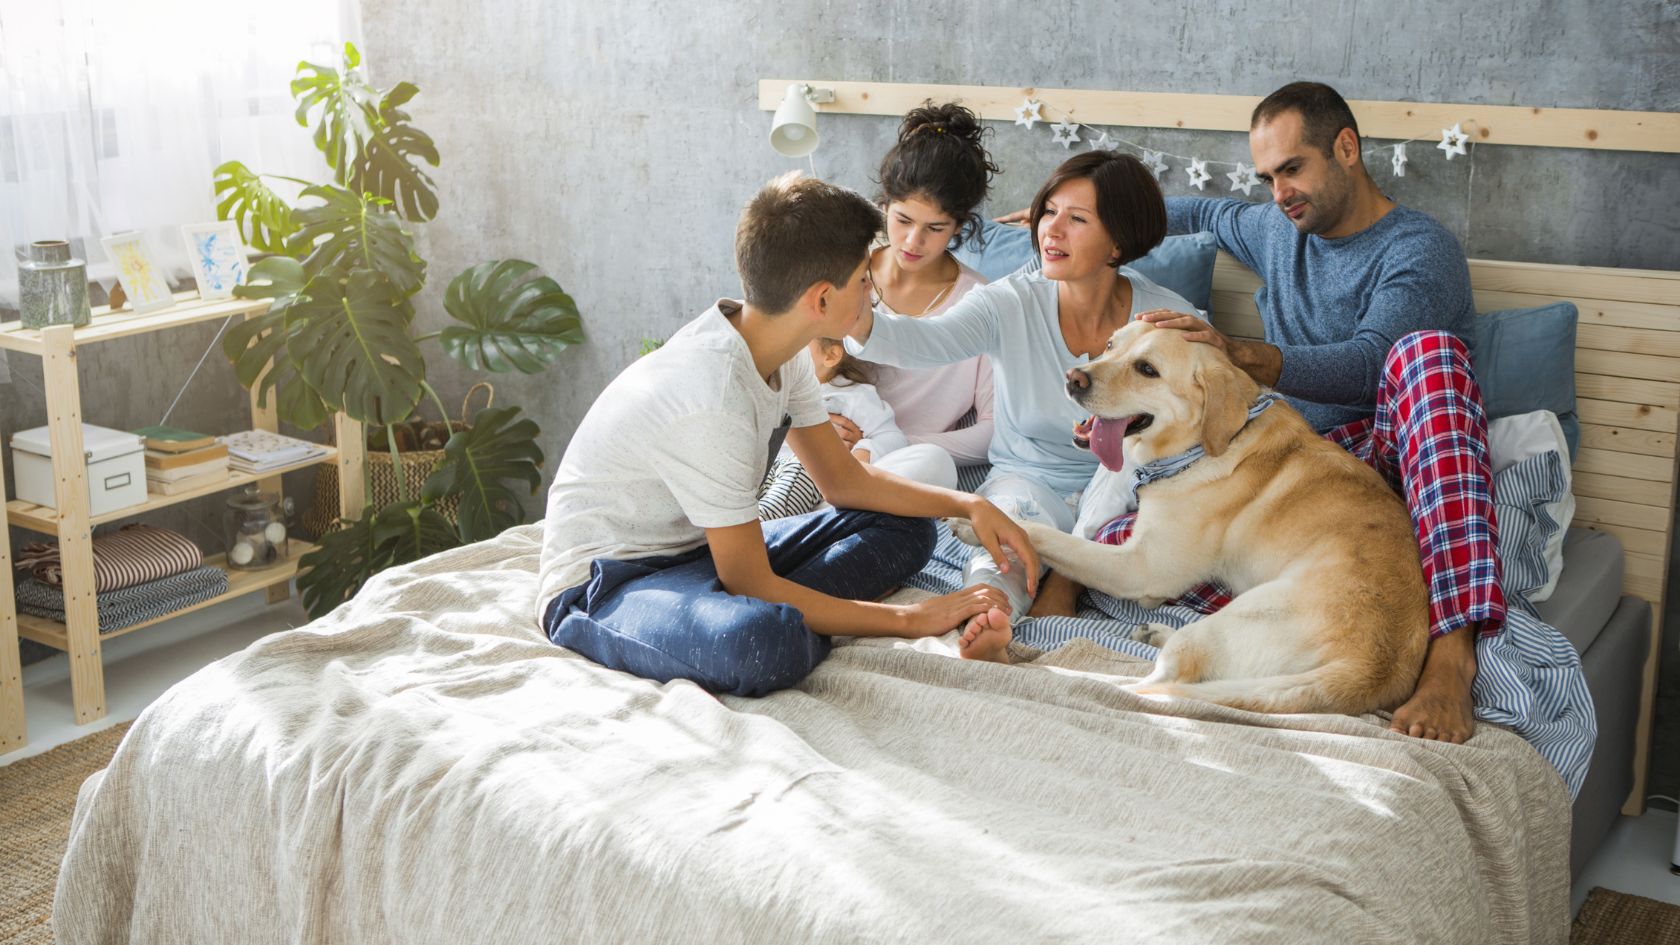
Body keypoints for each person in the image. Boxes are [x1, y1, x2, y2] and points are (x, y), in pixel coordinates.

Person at [1008, 82, 1496, 743]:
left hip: (1399, 451)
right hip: (1292, 473)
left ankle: (1450, 654)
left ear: (1346, 149)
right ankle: (1193, 631)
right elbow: (1187, 211)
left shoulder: (1418, 249)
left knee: (1426, 355)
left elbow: (1370, 360)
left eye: (1292, 168)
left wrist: (1241, 355)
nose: (1279, 191)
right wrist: (1065, 224)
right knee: (1153, 520)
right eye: (1267, 176)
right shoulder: (1278, 225)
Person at [536, 173, 1037, 697]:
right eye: (865, 281)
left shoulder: (787, 352)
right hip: (611, 581)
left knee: (908, 530)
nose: (875, 293)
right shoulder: (709, 395)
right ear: (822, 299)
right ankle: (789, 619)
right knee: (764, 641)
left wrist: (968, 505)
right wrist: (910, 618)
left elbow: (843, 481)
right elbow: (749, 583)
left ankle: (799, 614)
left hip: (701, 554)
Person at [846, 150, 1201, 663]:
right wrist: (854, 317)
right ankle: (988, 614)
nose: (1051, 231)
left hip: (1131, 490)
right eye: (1048, 212)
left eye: (1076, 219)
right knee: (1004, 533)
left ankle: (1069, 580)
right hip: (1029, 478)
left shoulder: (1164, 320)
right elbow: (924, 341)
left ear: (1118, 242)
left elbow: (1204, 410)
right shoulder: (1008, 303)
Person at [827, 102, 1000, 491]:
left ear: (959, 227)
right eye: (902, 220)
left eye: (934, 228)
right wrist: (811, 428)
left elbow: (992, 433)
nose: (912, 241)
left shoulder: (981, 303)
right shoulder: (840, 274)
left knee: (931, 465)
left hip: (906, 466)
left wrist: (882, 445)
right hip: (820, 448)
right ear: (883, 205)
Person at [757, 338, 917, 519]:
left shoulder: (853, 395)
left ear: (831, 355)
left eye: (794, 343)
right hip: (766, 472)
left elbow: (892, 437)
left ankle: (764, 523)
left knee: (813, 458)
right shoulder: (771, 389)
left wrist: (860, 454)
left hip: (813, 475)